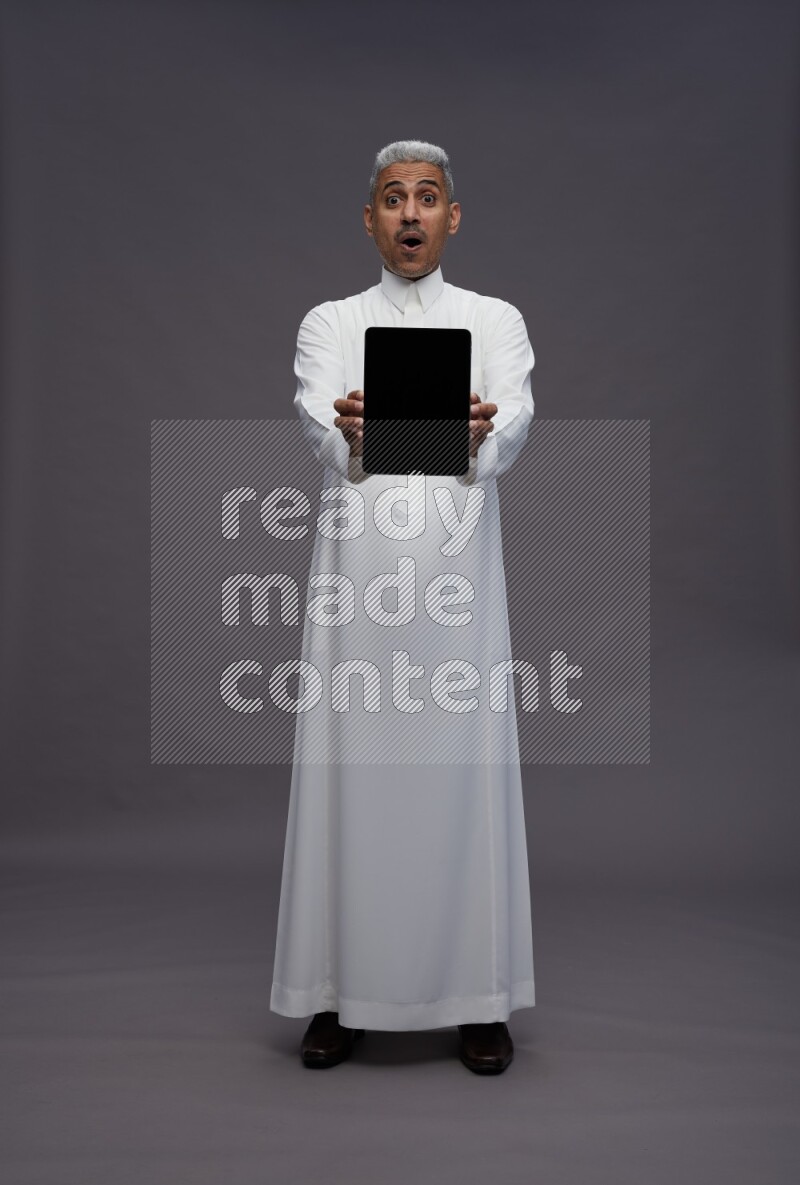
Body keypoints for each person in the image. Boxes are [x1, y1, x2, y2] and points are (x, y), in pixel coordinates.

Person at [270, 140, 536, 1074]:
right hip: (358, 591)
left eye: (428, 198)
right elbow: (318, 418)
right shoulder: (330, 321)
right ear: (372, 218)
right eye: (393, 199)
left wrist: (476, 436)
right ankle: (338, 994)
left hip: (459, 590)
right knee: (354, 779)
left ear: (453, 216)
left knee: (461, 778)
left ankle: (477, 996)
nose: (411, 214)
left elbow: (512, 419)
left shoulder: (493, 319)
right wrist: (347, 428)